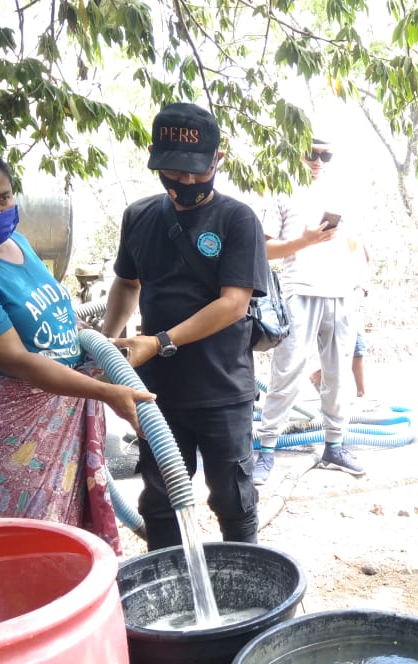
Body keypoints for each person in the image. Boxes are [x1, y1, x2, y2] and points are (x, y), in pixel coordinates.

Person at [0, 127, 153, 553]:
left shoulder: (17, 243)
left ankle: (90, 607)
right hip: (16, 414)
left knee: (80, 526)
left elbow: (53, 324)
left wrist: (103, 349)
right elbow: (17, 360)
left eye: (3, 197)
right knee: (41, 537)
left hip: (66, 393)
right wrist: (105, 389)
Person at [102, 103, 269, 552]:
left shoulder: (237, 220)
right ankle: (168, 588)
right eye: (173, 172)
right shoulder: (139, 216)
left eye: (197, 171)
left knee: (232, 495)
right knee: (161, 497)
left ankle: (249, 573)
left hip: (222, 386)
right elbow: (126, 282)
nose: (186, 183)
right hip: (158, 391)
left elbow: (234, 304)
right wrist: (105, 341)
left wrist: (158, 342)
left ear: (218, 160)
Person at [253, 137, 368, 485]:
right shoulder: (282, 191)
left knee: (337, 375)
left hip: (342, 294)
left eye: (325, 155)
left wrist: (361, 284)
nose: (318, 161)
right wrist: (304, 241)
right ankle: (267, 450)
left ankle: (334, 445)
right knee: (286, 372)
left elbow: (356, 243)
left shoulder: (342, 193)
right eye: (311, 154)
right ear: (297, 153)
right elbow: (265, 248)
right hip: (299, 290)